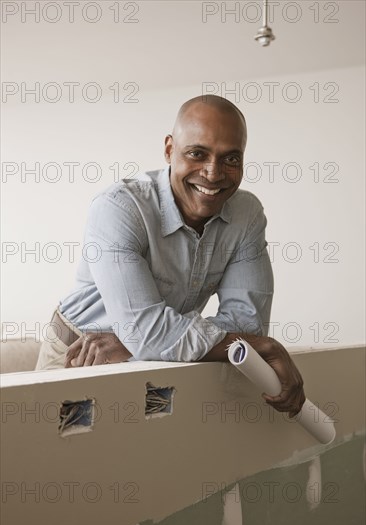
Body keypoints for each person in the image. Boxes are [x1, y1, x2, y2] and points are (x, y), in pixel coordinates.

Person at [35, 94, 305, 417]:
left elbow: (248, 323)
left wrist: (141, 340)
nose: (213, 172)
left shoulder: (246, 215)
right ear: (168, 150)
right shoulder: (119, 208)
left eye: (231, 159)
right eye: (197, 153)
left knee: (145, 461)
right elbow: (247, 340)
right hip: (78, 354)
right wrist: (265, 348)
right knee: (64, 464)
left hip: (163, 359)